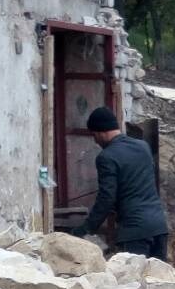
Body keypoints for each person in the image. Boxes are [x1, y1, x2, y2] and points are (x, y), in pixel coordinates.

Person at [70, 106, 169, 260]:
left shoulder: (106, 157)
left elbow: (106, 198)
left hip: (134, 232)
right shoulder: (143, 146)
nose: (95, 141)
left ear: (101, 132)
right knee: (159, 275)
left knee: (133, 276)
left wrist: (86, 229)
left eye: (94, 135)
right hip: (159, 227)